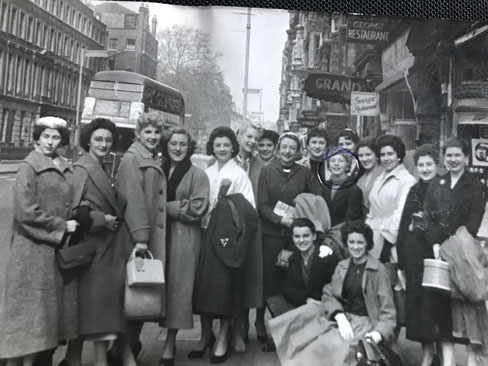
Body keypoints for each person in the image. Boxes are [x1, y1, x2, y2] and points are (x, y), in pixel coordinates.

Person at [0, 117, 79, 366]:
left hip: (53, 253)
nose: (50, 142)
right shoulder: (28, 166)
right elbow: (25, 211)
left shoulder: (67, 165)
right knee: (26, 317)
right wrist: (61, 226)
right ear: (37, 137)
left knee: (45, 318)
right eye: (45, 136)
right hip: (30, 252)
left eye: (55, 137)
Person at [268, 220, 396, 366]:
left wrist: (378, 334)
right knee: (316, 346)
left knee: (338, 350)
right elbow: (329, 293)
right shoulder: (343, 266)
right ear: (346, 244)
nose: (355, 247)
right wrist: (339, 316)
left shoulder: (378, 270)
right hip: (345, 319)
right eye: (351, 242)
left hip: (368, 324)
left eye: (360, 243)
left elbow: (388, 312)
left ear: (367, 244)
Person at [60, 118, 127, 366]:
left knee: (93, 310)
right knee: (99, 312)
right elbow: (73, 210)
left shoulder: (102, 167)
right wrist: (102, 219)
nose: (104, 144)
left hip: (106, 251)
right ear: (88, 140)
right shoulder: (82, 169)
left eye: (108, 139)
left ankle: (72, 359)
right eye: (98, 139)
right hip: (94, 250)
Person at [191, 126, 256, 363]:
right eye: (217, 145)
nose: (221, 149)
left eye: (226, 145)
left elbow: (249, 210)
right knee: (204, 288)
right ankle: (205, 335)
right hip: (205, 235)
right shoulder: (206, 172)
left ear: (233, 148)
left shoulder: (239, 174)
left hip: (226, 239)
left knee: (224, 289)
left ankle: (223, 337)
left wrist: (228, 207)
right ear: (212, 147)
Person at [424, 137, 488, 366]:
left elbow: (473, 223)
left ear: (466, 157)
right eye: (449, 155)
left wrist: (452, 247)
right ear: (444, 157)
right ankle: (448, 362)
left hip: (465, 253)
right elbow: (429, 218)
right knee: (444, 309)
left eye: (457, 155)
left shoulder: (477, 186)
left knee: (471, 307)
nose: (452, 160)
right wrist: (435, 244)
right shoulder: (436, 184)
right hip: (439, 254)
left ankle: (472, 360)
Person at [115, 111, 168, 365]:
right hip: (137, 237)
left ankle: (128, 346)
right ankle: (125, 351)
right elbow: (133, 200)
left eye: (157, 132)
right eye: (147, 132)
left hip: (145, 236)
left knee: (141, 295)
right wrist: (141, 239)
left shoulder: (147, 156)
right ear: (138, 133)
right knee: (133, 295)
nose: (153, 137)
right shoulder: (132, 158)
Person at [159, 127, 210, 366]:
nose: (177, 148)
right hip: (158, 237)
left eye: (182, 144)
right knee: (150, 287)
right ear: (166, 146)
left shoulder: (197, 175)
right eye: (173, 144)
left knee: (177, 292)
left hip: (183, 239)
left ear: (189, 147)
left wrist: (168, 208)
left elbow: (199, 206)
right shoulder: (157, 170)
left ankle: (169, 344)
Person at [258, 132, 323, 309]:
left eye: (292, 148)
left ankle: (289, 322)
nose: (287, 151)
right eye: (284, 147)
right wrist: (281, 220)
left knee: (293, 279)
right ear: (278, 149)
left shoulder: (304, 173)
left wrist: (302, 209)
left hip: (297, 237)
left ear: (298, 152)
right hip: (271, 235)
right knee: (269, 279)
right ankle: (260, 322)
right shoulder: (267, 171)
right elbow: (262, 205)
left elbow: (318, 198)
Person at [396, 144, 441, 366]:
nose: (424, 169)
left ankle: (441, 353)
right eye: (420, 165)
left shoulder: (444, 188)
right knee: (419, 307)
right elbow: (404, 225)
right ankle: (427, 354)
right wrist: (401, 258)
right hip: (415, 256)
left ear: (437, 165)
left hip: (436, 255)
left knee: (438, 307)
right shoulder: (414, 190)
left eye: (429, 164)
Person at [235, 124, 267, 347]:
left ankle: (254, 323)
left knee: (253, 278)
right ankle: (237, 327)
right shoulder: (225, 161)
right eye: (249, 136)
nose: (253, 141)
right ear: (238, 136)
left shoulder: (261, 166)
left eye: (256, 138)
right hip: (229, 229)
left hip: (254, 230)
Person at [366, 135, 416, 262]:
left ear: (398, 155)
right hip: (373, 240)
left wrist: (387, 243)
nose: (386, 158)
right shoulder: (379, 178)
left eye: (390, 154)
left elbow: (401, 215)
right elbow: (372, 212)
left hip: (391, 243)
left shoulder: (406, 180)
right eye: (382, 155)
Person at [281, 218, 338, 308]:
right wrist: (306, 299)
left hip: (326, 306)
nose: (301, 240)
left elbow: (335, 286)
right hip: (304, 305)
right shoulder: (293, 259)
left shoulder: (326, 256)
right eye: (297, 236)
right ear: (292, 238)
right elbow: (288, 287)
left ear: (314, 236)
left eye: (306, 236)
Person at [321, 147, 364, 227]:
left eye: (341, 161)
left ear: (347, 165)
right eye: (333, 161)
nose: (336, 164)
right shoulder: (324, 186)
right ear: (328, 165)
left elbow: (351, 220)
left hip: (343, 233)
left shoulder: (353, 190)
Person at [356, 138, 384, 216]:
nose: (364, 159)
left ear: (376, 155)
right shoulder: (360, 179)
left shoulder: (384, 174)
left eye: (368, 154)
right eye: (361, 155)